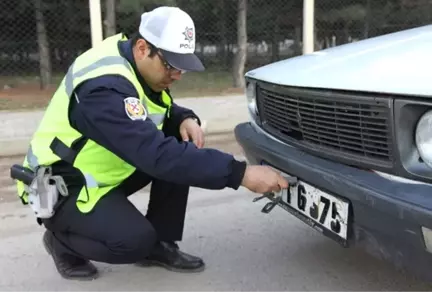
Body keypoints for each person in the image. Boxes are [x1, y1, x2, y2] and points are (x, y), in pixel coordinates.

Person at [15, 6, 288, 280]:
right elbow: (155, 154)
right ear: (144, 48)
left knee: (180, 142)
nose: (178, 75)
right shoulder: (102, 89)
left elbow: (153, 108)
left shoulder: (134, 63)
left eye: (182, 66)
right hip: (63, 183)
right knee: (133, 241)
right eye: (171, 65)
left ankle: (162, 243)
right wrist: (241, 174)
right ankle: (61, 243)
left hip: (101, 170)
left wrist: (183, 118)